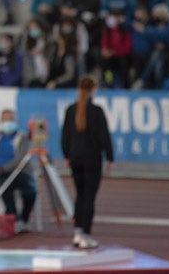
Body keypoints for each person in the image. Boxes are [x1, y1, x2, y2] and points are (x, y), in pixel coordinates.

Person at [60, 76, 113, 249]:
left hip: (75, 158)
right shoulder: (97, 111)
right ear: (93, 90)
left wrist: (66, 155)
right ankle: (86, 234)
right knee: (89, 198)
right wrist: (110, 157)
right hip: (92, 159)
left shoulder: (70, 110)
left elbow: (65, 136)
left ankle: (77, 232)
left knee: (79, 195)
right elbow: (104, 136)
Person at [0, 110, 36, 234]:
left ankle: (23, 219)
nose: (8, 122)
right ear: (0, 121)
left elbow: (19, 159)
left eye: (11, 119)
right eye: (5, 119)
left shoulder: (22, 138)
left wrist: (2, 169)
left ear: (15, 121)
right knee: (4, 187)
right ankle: (14, 218)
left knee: (31, 191)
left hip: (20, 173)